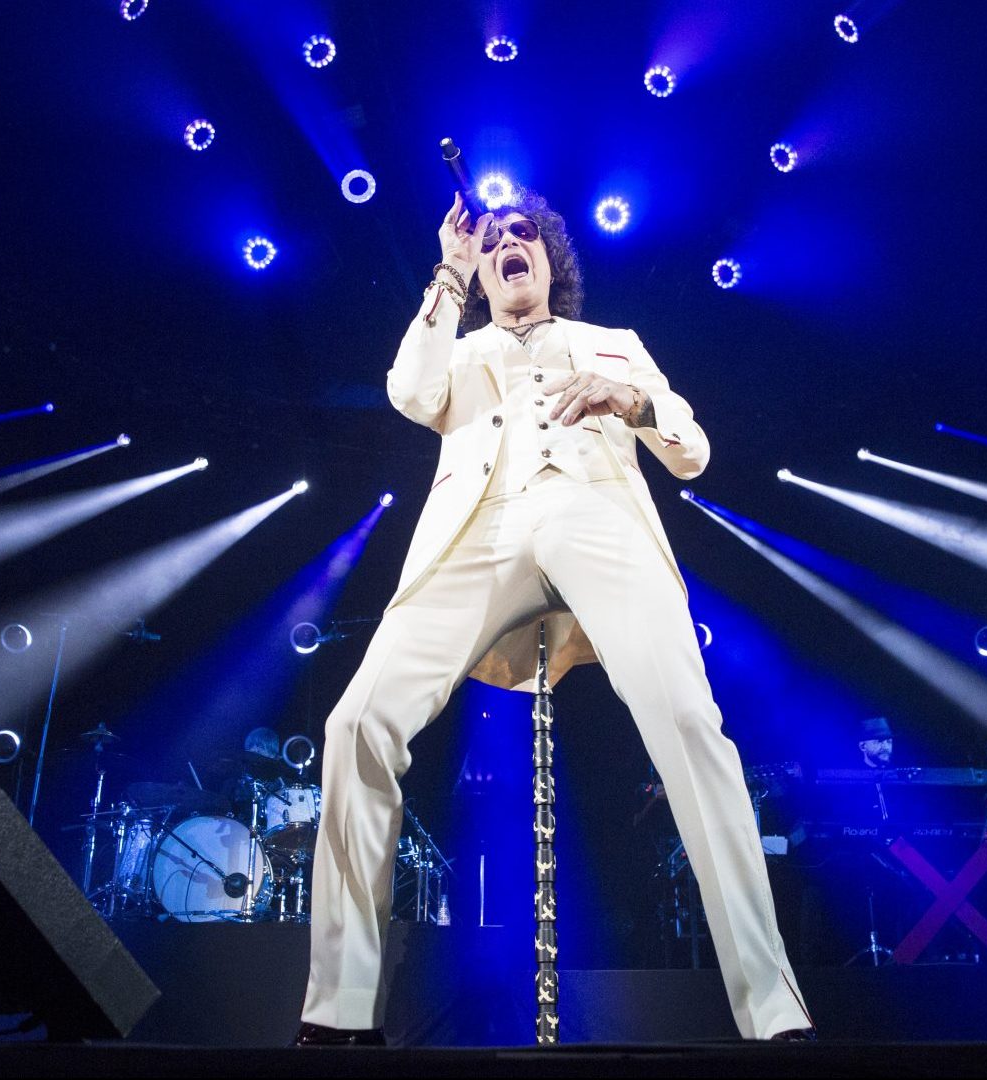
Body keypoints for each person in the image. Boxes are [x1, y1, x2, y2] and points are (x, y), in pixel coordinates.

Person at [294, 191, 814, 1045]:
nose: (508, 244)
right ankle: (338, 1014)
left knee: (688, 723)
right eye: (493, 240)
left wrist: (629, 400)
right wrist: (449, 270)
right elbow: (407, 391)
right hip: (476, 532)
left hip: (594, 515)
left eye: (522, 234)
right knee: (356, 721)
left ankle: (774, 1014)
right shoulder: (459, 348)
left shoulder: (614, 343)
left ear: (549, 260)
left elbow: (692, 450)